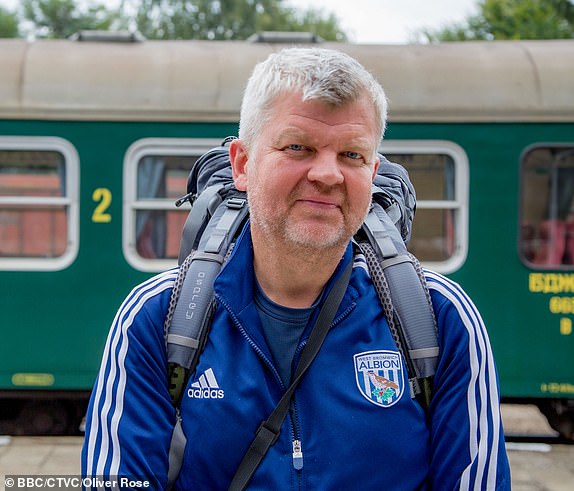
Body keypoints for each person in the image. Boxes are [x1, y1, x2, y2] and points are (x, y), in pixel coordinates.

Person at [82, 47, 511, 490]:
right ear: (243, 164)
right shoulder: (157, 319)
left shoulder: (439, 319)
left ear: (373, 171)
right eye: (298, 147)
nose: (329, 174)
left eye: (352, 155)